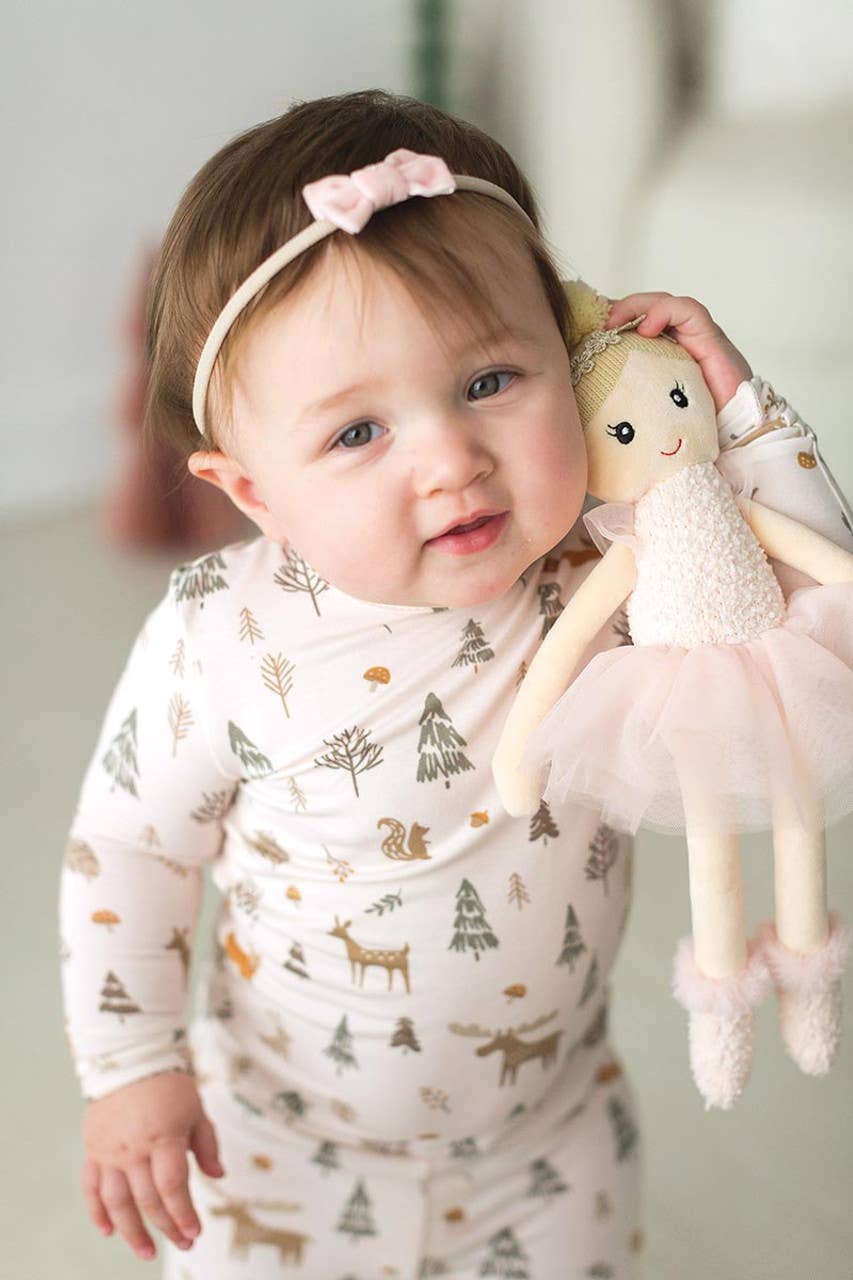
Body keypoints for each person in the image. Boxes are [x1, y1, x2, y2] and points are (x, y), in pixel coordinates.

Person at [58, 89, 853, 1279]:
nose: (449, 458)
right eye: (356, 433)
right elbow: (127, 849)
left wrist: (730, 412)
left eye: (490, 381)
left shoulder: (612, 557)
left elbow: (808, 604)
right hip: (274, 1143)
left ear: (577, 361)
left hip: (547, 1137)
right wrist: (133, 1067)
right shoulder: (218, 637)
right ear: (252, 492)